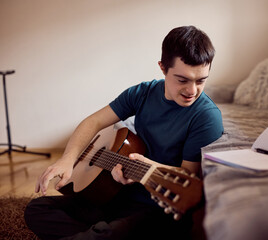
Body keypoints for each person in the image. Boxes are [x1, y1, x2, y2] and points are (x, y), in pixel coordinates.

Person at [24, 25, 224, 240]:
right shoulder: (142, 93)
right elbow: (94, 121)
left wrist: (144, 170)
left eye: (201, 80)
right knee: (37, 209)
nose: (192, 91)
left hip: (157, 210)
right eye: (182, 80)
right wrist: (67, 158)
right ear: (163, 68)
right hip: (116, 195)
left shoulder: (206, 117)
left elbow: (188, 176)